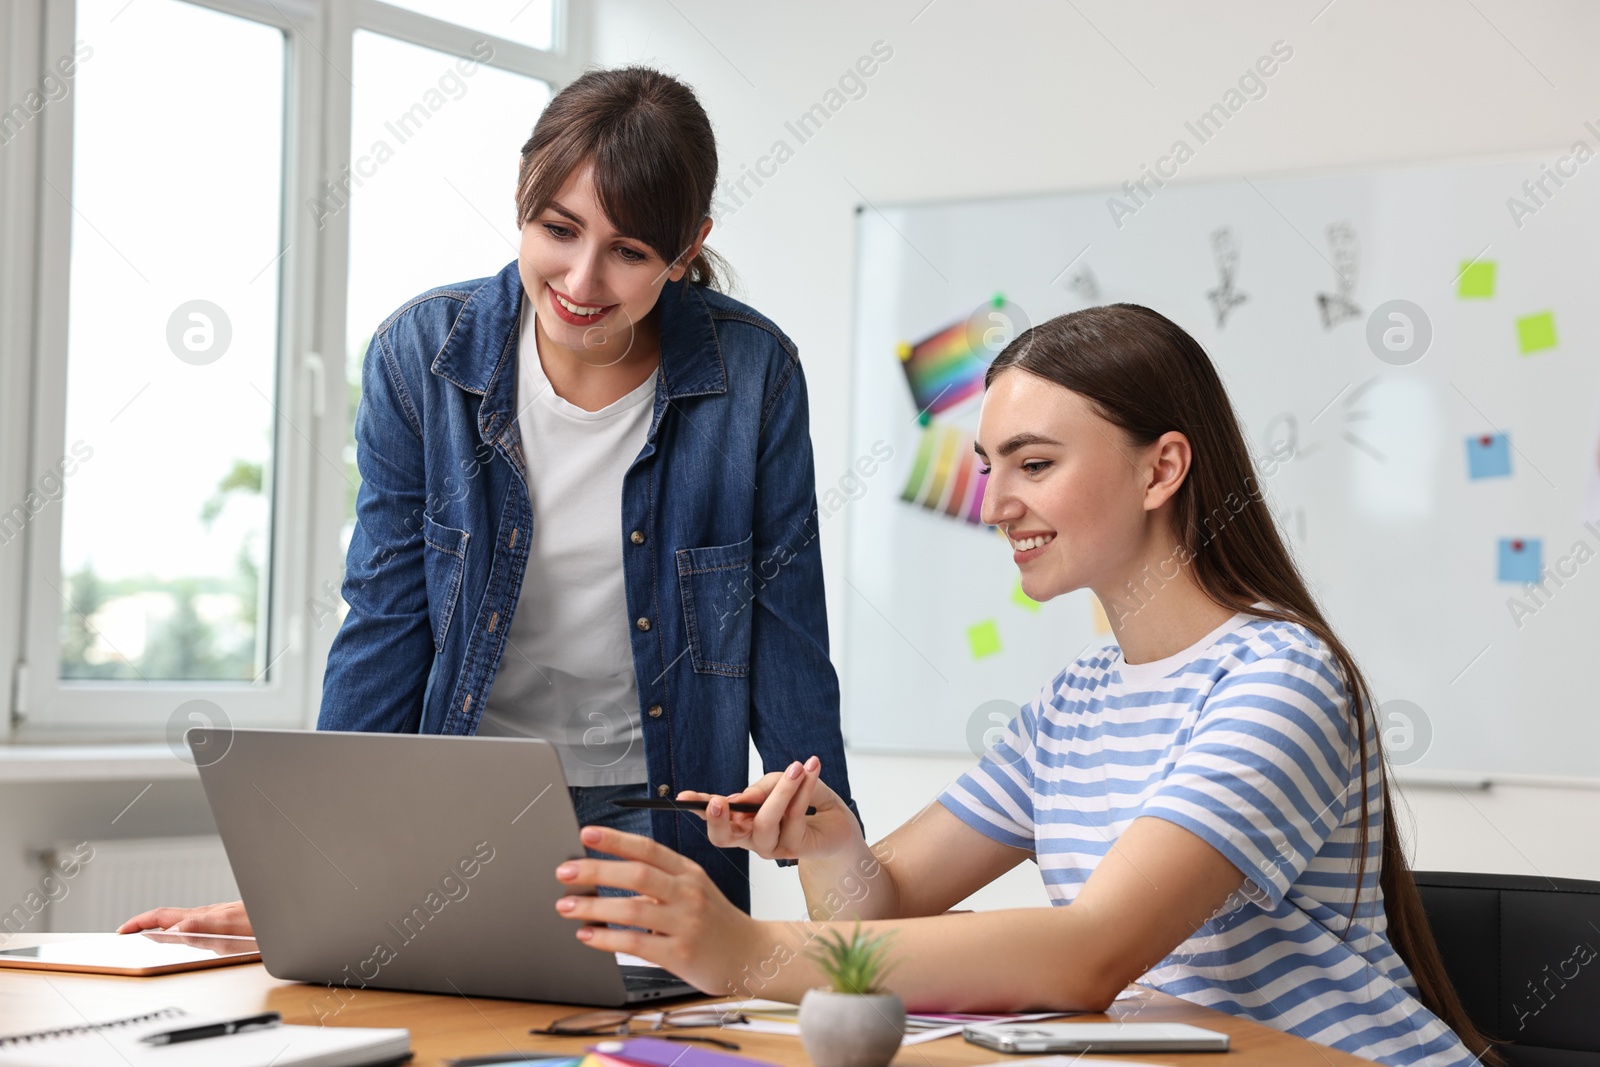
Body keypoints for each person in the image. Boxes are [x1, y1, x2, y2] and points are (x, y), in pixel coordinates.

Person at [542, 305, 1497, 1067]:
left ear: (1163, 467)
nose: (996, 504)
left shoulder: (1281, 677)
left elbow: (1090, 953)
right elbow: (881, 907)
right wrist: (832, 842)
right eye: (990, 466)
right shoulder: (1078, 699)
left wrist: (750, 952)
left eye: (1034, 464)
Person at [119, 66, 855, 936]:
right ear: (522, 194)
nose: (582, 281)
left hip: (664, 814)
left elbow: (786, 629)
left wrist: (844, 899)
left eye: (630, 252)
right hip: (458, 802)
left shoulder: (755, 375)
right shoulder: (420, 356)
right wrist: (305, 875)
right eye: (559, 229)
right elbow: (387, 621)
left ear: (686, 248)